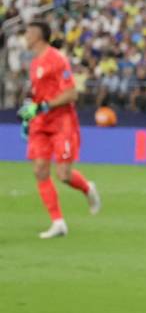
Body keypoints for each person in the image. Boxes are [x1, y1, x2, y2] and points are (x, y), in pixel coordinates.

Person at [20, 22, 100, 238]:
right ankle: (58, 222)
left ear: (38, 35)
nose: (25, 36)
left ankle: (87, 188)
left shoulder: (56, 58)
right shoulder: (35, 63)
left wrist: (43, 106)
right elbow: (36, 95)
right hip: (40, 123)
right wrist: (28, 114)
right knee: (40, 170)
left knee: (63, 174)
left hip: (61, 121)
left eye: (28, 32)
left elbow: (71, 94)